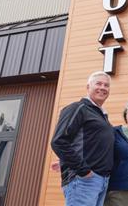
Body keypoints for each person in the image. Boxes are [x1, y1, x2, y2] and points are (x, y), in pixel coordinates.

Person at [51, 71, 114, 206]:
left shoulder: (101, 115)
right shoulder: (78, 108)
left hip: (101, 181)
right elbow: (59, 141)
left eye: (106, 85)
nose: (103, 87)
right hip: (84, 180)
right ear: (88, 87)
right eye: (98, 83)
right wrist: (83, 170)